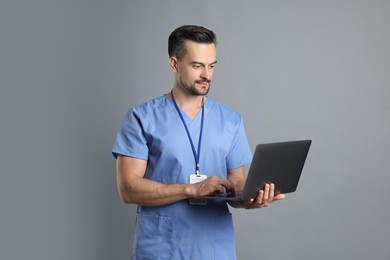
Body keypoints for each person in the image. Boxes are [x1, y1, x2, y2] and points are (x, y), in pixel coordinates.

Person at [112, 25, 285, 260]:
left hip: (213, 247)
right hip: (160, 247)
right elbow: (128, 189)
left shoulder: (230, 120)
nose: (207, 75)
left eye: (212, 65)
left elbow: (236, 181)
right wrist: (191, 189)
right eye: (197, 66)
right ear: (174, 64)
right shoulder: (142, 118)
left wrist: (251, 199)